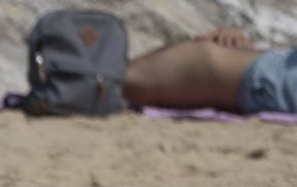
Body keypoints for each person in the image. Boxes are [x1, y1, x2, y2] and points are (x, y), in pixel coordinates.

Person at [122, 26, 296, 112]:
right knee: (112, 77)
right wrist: (249, 50)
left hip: (213, 73)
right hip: (221, 68)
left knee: (111, 80)